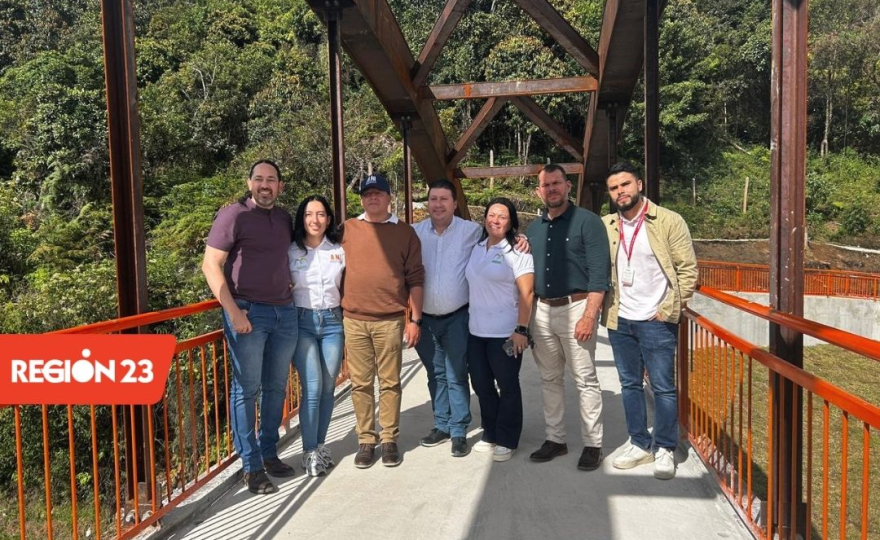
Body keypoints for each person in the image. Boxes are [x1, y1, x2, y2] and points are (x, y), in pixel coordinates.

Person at [202, 160, 298, 495]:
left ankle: (269, 452)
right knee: (247, 390)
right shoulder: (234, 215)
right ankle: (251, 466)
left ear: (280, 186)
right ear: (249, 182)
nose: (265, 185)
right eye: (259, 179)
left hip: (284, 313)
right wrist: (233, 312)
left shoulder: (285, 218)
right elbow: (210, 264)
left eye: (271, 179)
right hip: (248, 313)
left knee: (275, 388)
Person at [601, 161, 697, 480]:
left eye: (625, 184)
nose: (620, 192)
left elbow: (687, 271)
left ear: (639, 184)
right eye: (614, 188)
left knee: (663, 387)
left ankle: (665, 447)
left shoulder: (668, 221)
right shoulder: (608, 225)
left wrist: (670, 309)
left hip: (656, 318)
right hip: (620, 318)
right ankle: (640, 443)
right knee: (629, 384)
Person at [526, 163, 611, 471]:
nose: (551, 189)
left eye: (557, 183)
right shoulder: (533, 230)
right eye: (546, 185)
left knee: (585, 379)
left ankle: (592, 443)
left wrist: (590, 314)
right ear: (539, 191)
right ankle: (556, 439)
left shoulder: (588, 222)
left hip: (577, 307)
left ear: (568, 186)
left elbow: (600, 274)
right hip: (542, 311)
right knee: (549, 379)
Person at [340, 173, 425, 468]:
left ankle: (389, 438)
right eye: (367, 194)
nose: (372, 198)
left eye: (378, 193)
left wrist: (415, 319)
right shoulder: (346, 229)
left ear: (389, 197)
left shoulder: (405, 233)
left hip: (390, 319)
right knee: (360, 384)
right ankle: (366, 440)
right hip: (353, 318)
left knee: (390, 382)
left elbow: (415, 278)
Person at [412, 179, 479, 457]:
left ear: (454, 203)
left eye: (444, 199)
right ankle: (441, 424)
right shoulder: (414, 232)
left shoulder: (472, 231)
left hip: (457, 317)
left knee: (456, 373)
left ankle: (459, 429)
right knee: (435, 373)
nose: (438, 204)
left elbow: (501, 241)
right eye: (433, 199)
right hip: (424, 319)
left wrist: (520, 239)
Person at [465, 197, 534, 462]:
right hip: (476, 332)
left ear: (511, 222)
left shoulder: (518, 252)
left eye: (502, 216)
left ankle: (508, 438)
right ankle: (491, 432)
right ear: (485, 218)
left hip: (505, 333)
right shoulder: (477, 246)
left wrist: (521, 329)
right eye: (492, 215)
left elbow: (527, 294)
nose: (495, 220)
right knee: (481, 384)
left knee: (507, 385)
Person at [289, 195, 345, 477]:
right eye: (309, 214)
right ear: (302, 218)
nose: (315, 220)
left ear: (329, 219)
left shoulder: (338, 250)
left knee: (327, 386)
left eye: (321, 214)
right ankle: (309, 450)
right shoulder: (290, 251)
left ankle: (320, 445)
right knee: (312, 386)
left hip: (334, 321)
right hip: (302, 322)